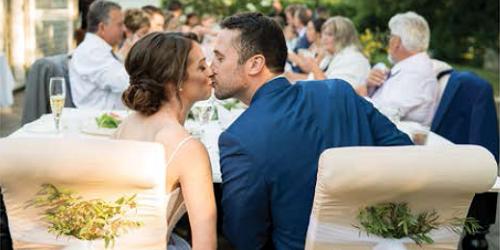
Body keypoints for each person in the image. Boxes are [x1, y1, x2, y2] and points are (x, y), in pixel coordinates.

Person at [211, 12, 413, 250]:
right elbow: (405, 153)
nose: (210, 67)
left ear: (255, 64)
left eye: (219, 58)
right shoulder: (339, 92)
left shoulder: (239, 139)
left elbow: (244, 237)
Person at [114, 32, 217, 250]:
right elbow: (205, 244)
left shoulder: (127, 124)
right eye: (201, 67)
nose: (211, 71)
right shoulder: (188, 149)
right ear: (176, 81)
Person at [366, 11, 438, 127]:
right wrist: (369, 86)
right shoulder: (411, 67)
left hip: (393, 140)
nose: (389, 41)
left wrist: (360, 94)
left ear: (397, 42)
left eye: (391, 36)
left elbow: (385, 114)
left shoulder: (416, 73)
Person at [69, 0, 129, 110]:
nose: (124, 29)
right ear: (102, 27)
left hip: (112, 118)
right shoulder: (92, 52)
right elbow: (125, 82)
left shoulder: (100, 49)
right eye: (119, 24)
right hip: (100, 122)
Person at [289, 16, 371, 95]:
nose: (324, 38)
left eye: (329, 34)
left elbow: (332, 93)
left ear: (343, 37)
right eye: (324, 34)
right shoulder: (333, 55)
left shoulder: (353, 59)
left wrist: (314, 66)